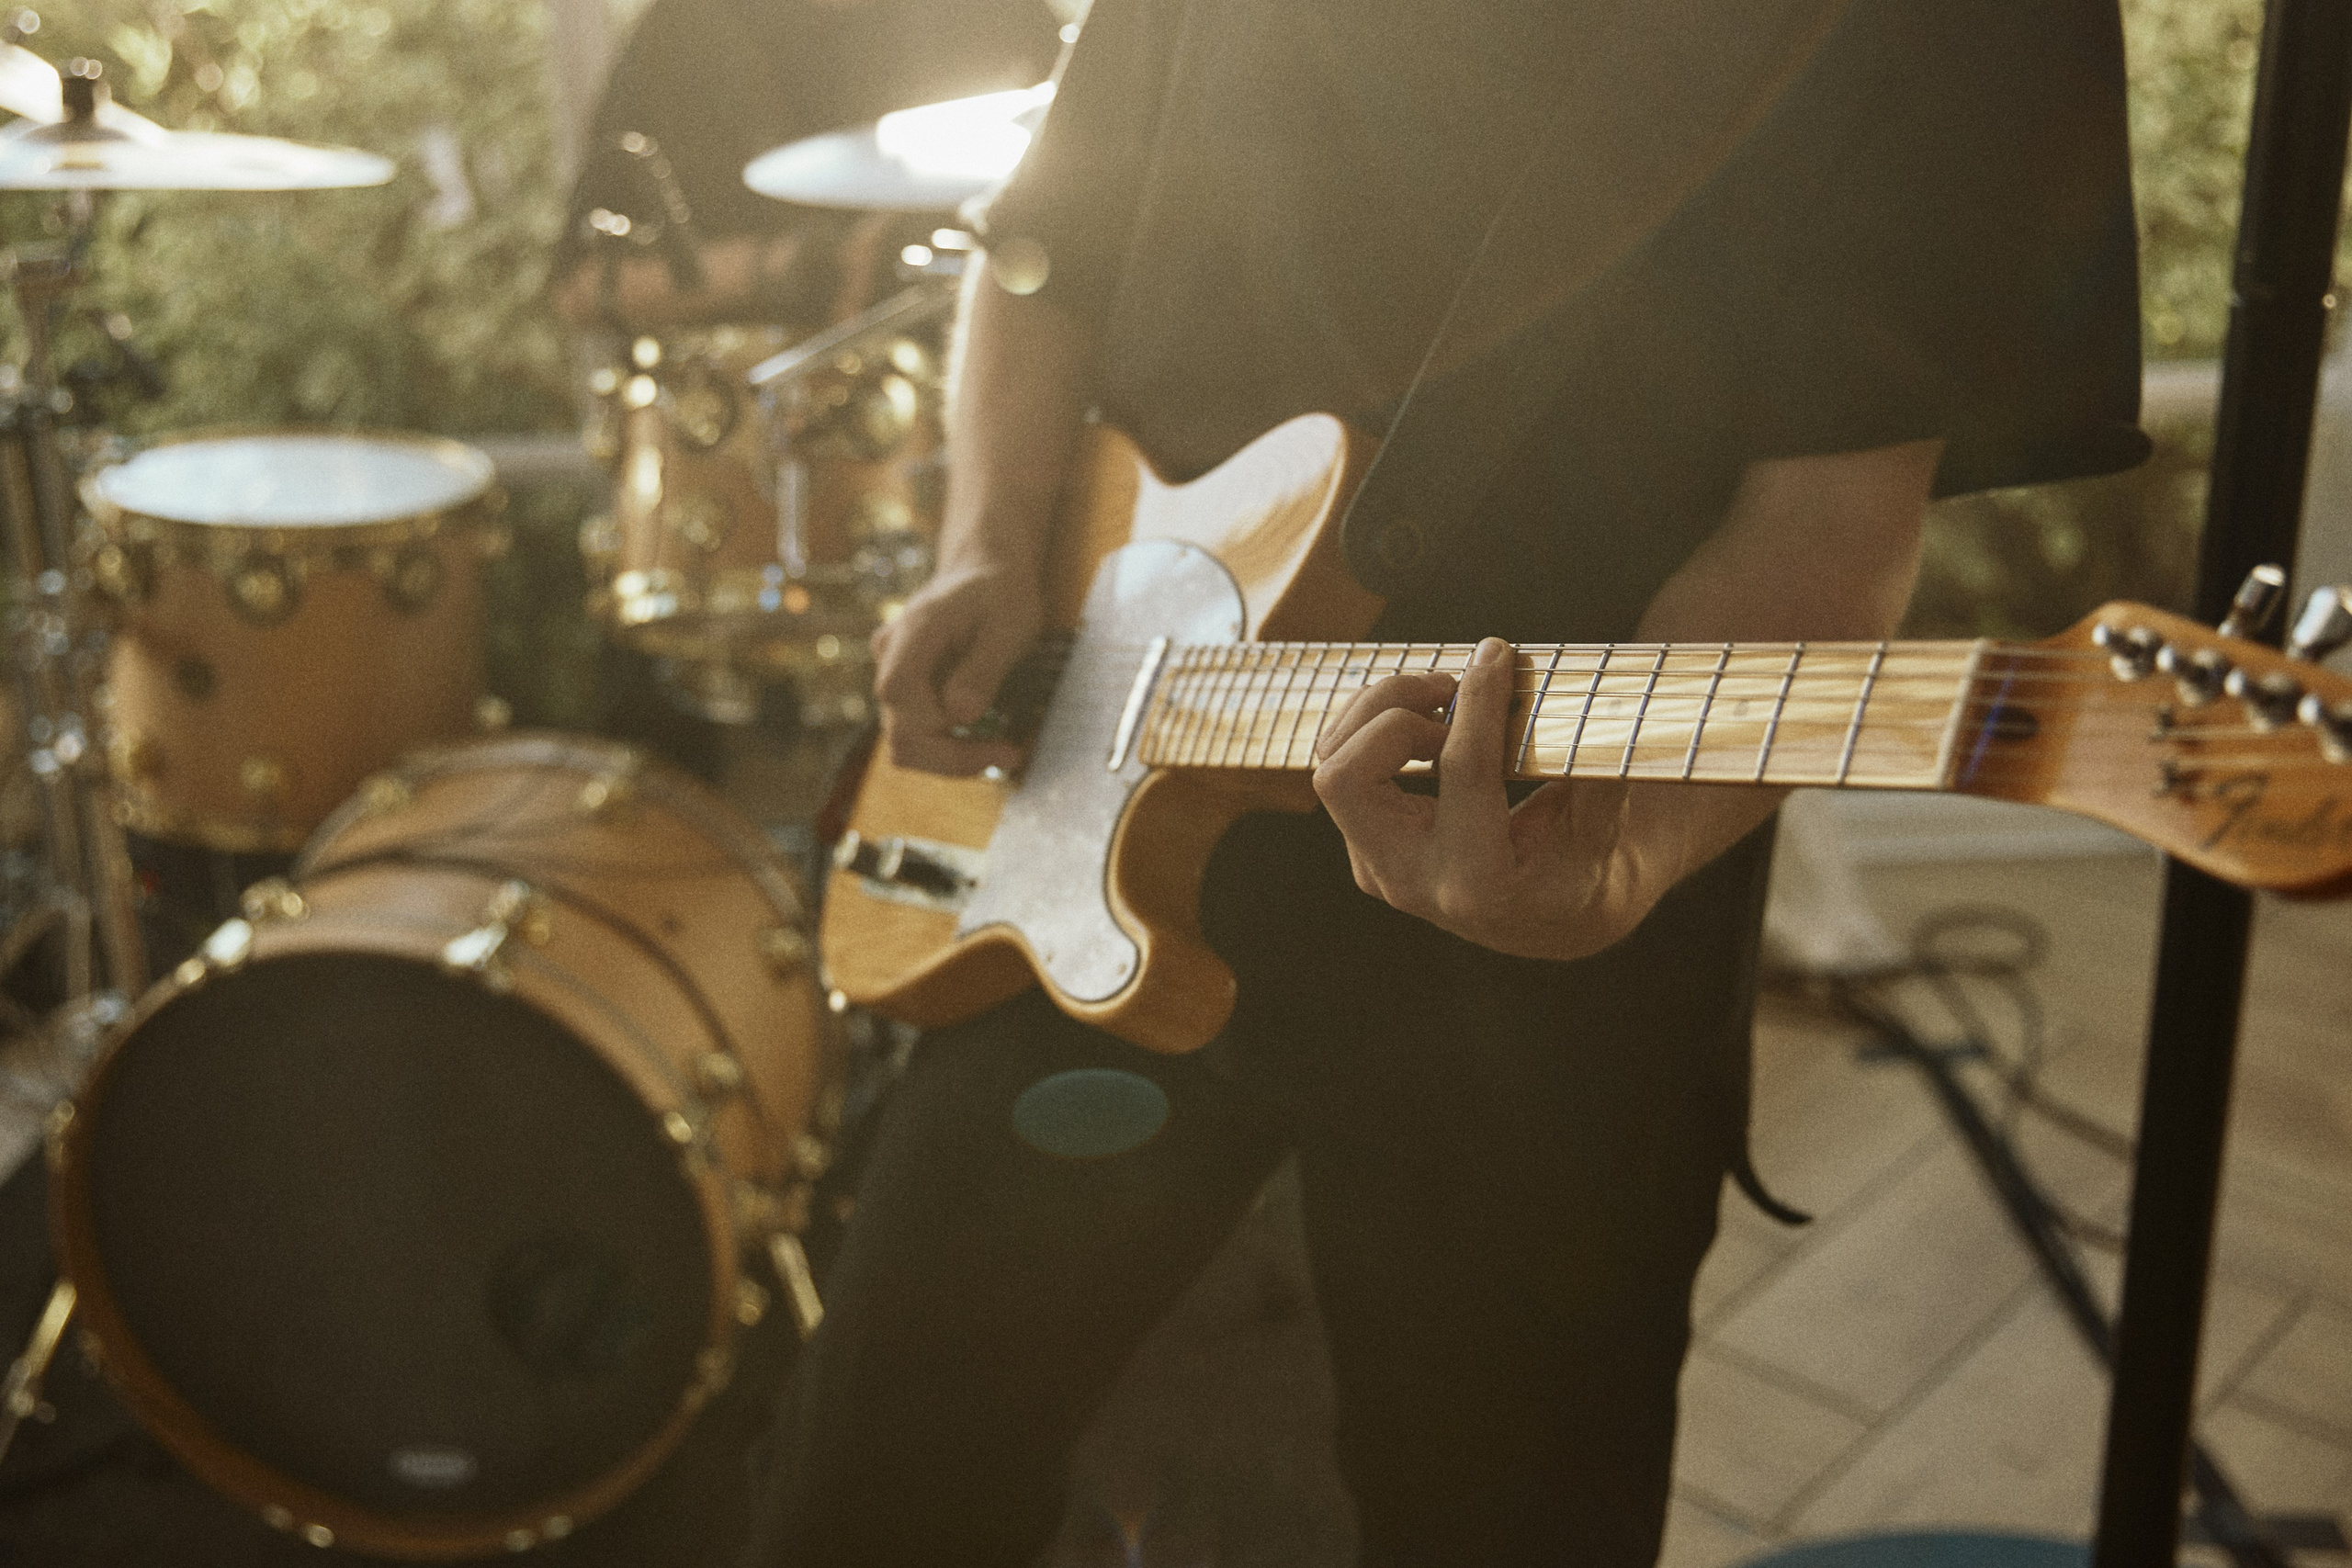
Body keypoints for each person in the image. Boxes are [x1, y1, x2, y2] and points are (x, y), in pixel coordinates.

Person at [752, 0, 2151, 1562]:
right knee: (868, 1495)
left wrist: (1629, 848)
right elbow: (1040, 254)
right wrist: (989, 541)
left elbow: (1828, 516)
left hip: (1549, 893)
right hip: (1066, 809)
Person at [550, 0, 1064, 331]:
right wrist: (784, 268)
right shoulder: (684, 33)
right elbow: (579, 290)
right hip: (748, 428)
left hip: (970, 394)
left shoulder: (998, 16)